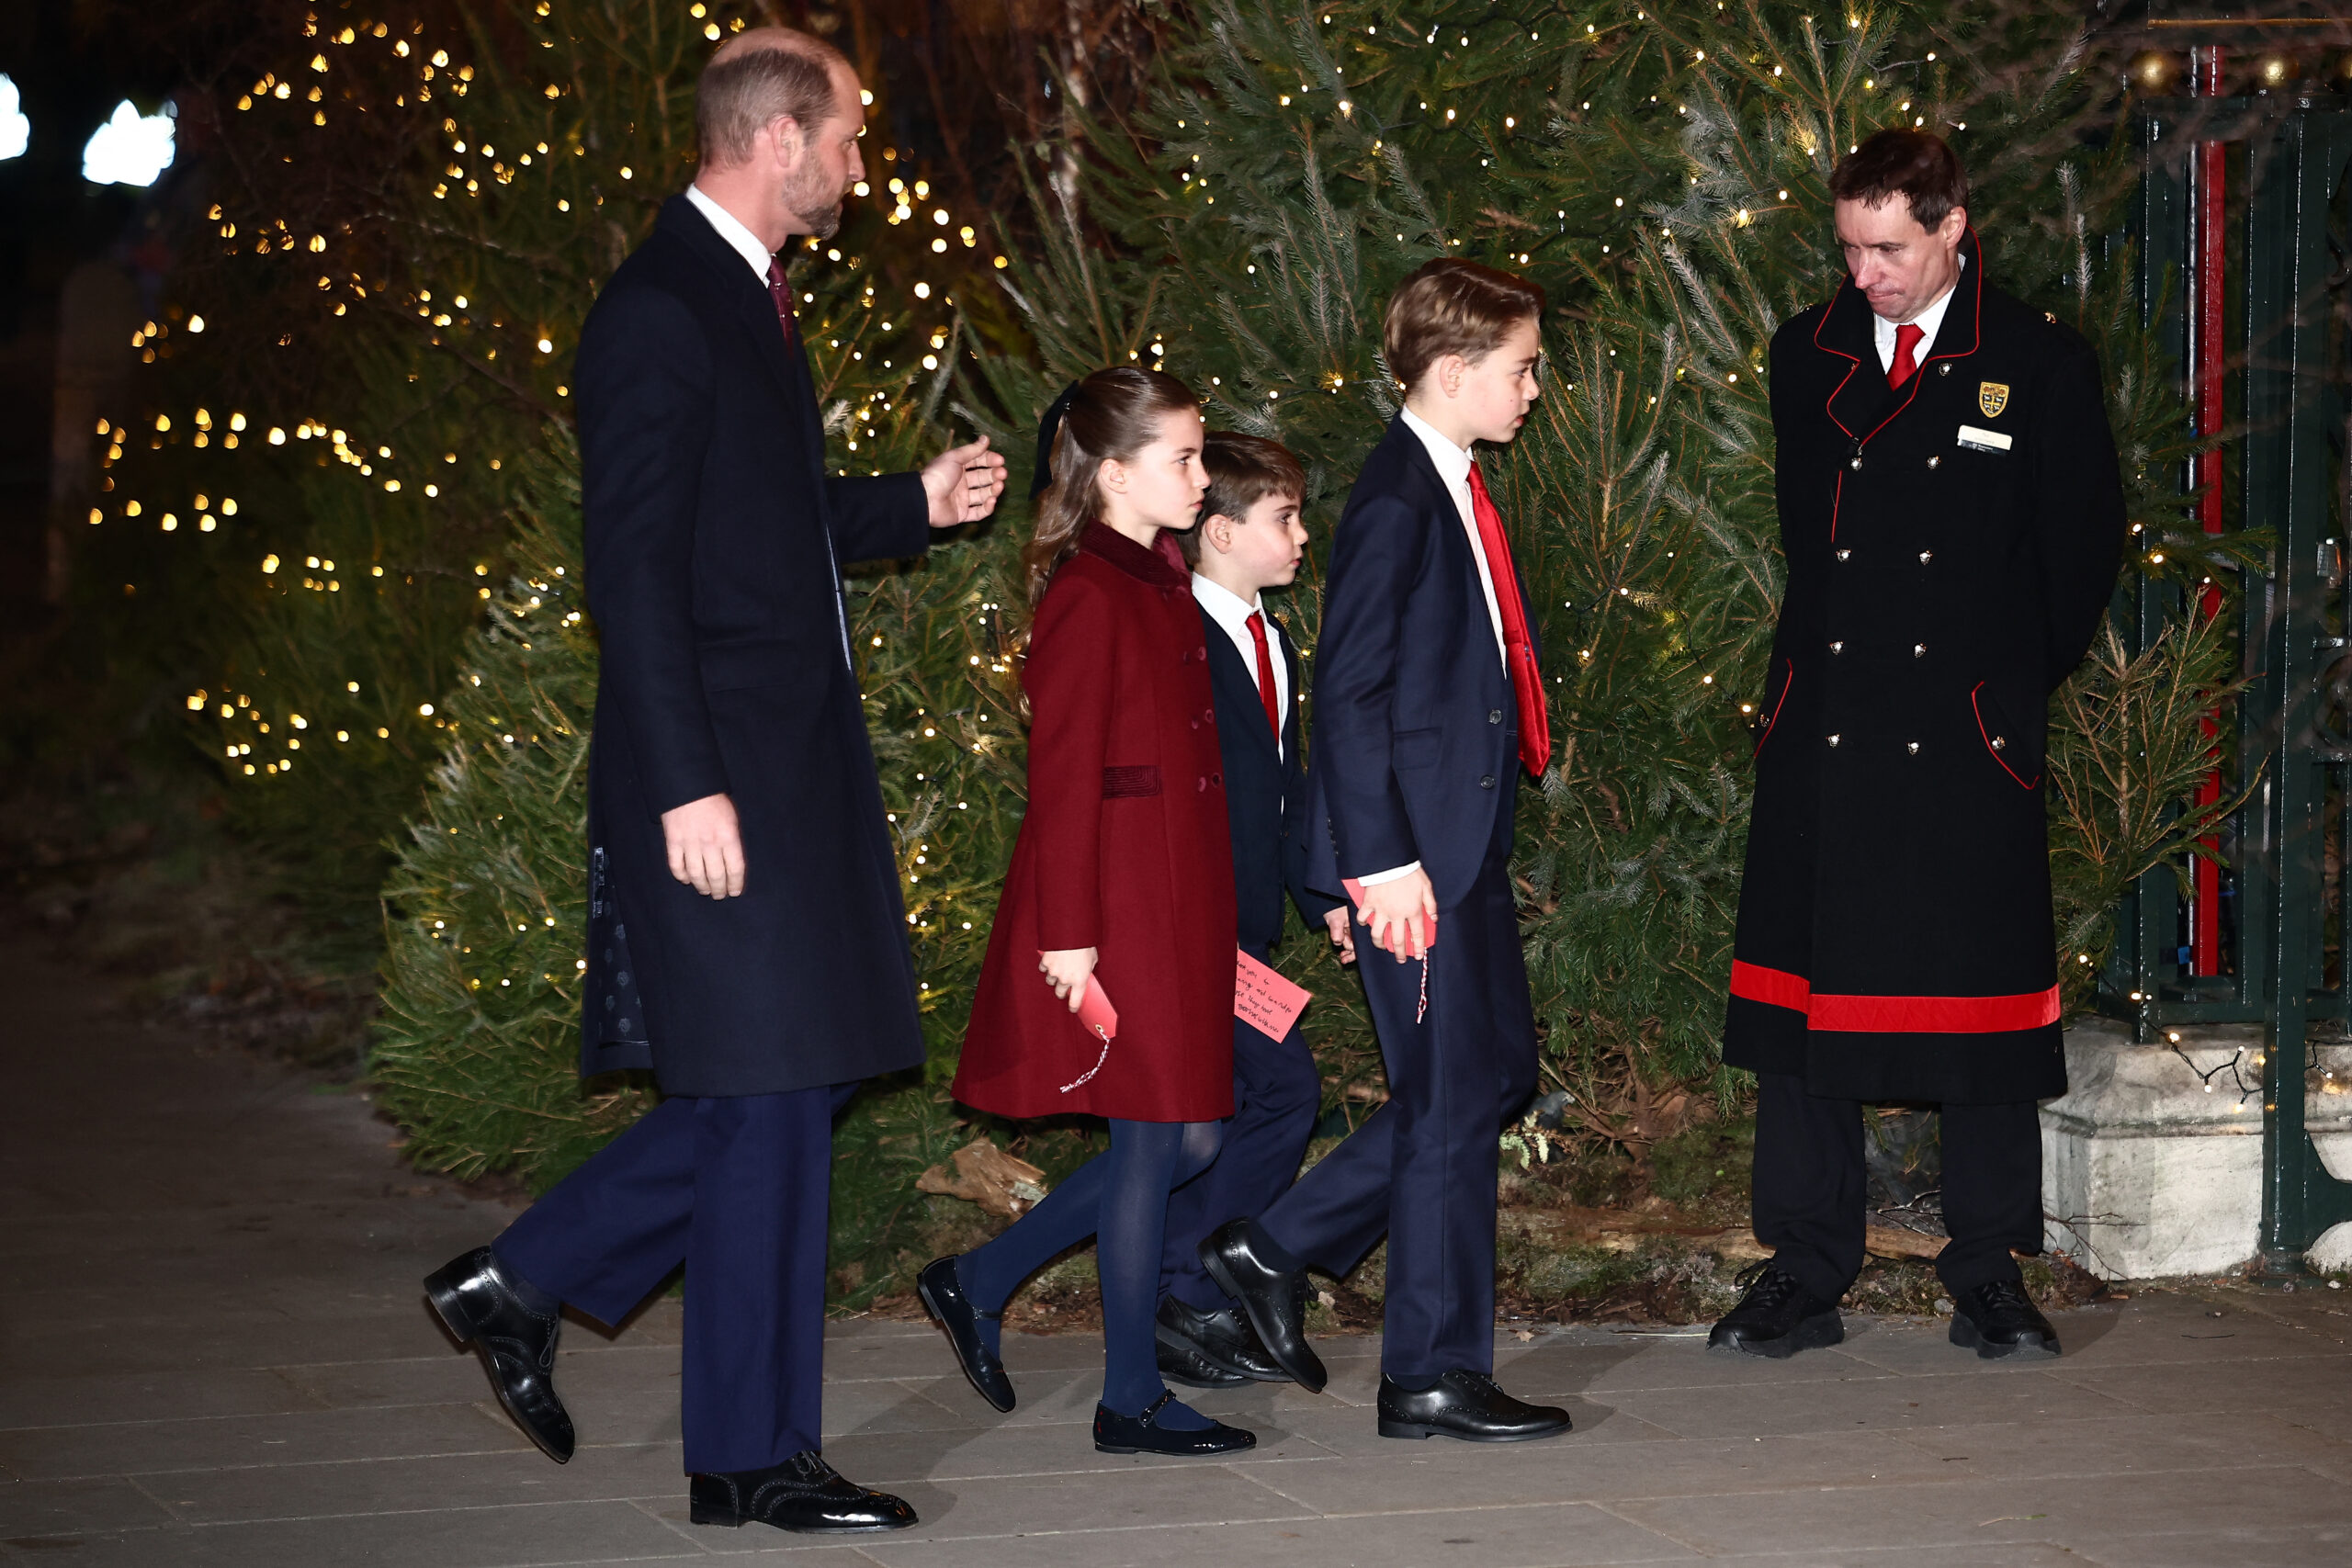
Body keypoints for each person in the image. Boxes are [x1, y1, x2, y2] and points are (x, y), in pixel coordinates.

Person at [421, 27, 1006, 1538]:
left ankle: (536, 1287)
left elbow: (751, 515)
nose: (864, 170)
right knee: (766, 1095)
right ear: (779, 138)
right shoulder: (663, 310)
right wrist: (685, 784)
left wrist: (908, 504)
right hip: (717, 773)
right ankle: (742, 1446)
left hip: (775, 767)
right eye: (854, 142)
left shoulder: (736, 296)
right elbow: (633, 567)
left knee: (792, 1084)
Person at [1712, 129, 2124, 1362]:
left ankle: (1991, 1268)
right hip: (1827, 728)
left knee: (1986, 1022)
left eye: (1889, 247)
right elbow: (1808, 536)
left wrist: (1995, 692)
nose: (1866, 272)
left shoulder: (2038, 361)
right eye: (1849, 247)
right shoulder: (1810, 350)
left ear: (1954, 228)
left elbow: (2080, 552)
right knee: (1806, 1019)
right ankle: (1804, 1264)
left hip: (1964, 737)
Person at [1197, 259, 1574, 1444]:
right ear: (1454, 373)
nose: (1534, 388)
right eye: (1522, 369)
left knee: (1483, 1082)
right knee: (1454, 1103)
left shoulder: (1448, 482)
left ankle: (1276, 1246)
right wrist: (1377, 862)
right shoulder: (1400, 500)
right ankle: (1427, 1371)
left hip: (1449, 847)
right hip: (1417, 861)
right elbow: (1347, 696)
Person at [916, 367, 1254, 1459]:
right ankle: (1130, 1398)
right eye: (1184, 460)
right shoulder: (1088, 592)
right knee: (1160, 1141)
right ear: (1112, 473)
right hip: (1117, 913)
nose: (1201, 478)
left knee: (1192, 1134)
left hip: (1176, 902)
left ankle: (980, 1278)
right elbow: (1062, 780)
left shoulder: (1155, 576)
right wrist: (1069, 937)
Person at [1153, 433, 1353, 1390]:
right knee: (1281, 1093)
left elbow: (1286, 787)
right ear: (1222, 532)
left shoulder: (1270, 638)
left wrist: (1323, 898)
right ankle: (1187, 1288)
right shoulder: (1177, 638)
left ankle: (1184, 1293)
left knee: (1225, 1110)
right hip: (1188, 925)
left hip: (1246, 922)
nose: (1303, 535)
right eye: (1285, 519)